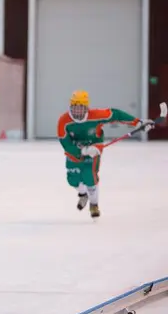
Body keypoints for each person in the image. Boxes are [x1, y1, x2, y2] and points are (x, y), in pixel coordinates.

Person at [58, 90, 155, 218]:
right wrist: (81, 151)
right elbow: (65, 143)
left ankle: (94, 204)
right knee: (72, 180)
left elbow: (116, 114)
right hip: (74, 152)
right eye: (75, 107)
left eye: (81, 107)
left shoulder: (96, 115)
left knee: (89, 177)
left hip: (94, 149)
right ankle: (83, 195)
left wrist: (137, 122)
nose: (77, 111)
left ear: (87, 107)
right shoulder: (64, 121)